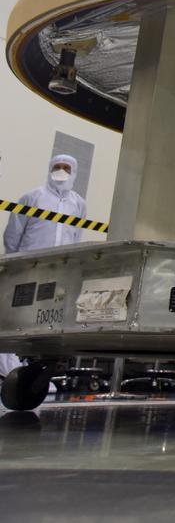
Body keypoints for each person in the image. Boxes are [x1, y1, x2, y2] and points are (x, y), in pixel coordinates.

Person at [2, 155, 88, 383]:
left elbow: (76, 237)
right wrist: (16, 263)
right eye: (57, 167)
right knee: (19, 317)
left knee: (46, 319)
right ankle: (9, 371)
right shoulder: (33, 197)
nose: (61, 171)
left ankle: (36, 374)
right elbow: (13, 234)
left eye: (66, 168)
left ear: (74, 172)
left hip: (59, 271)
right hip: (29, 268)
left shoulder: (78, 204)